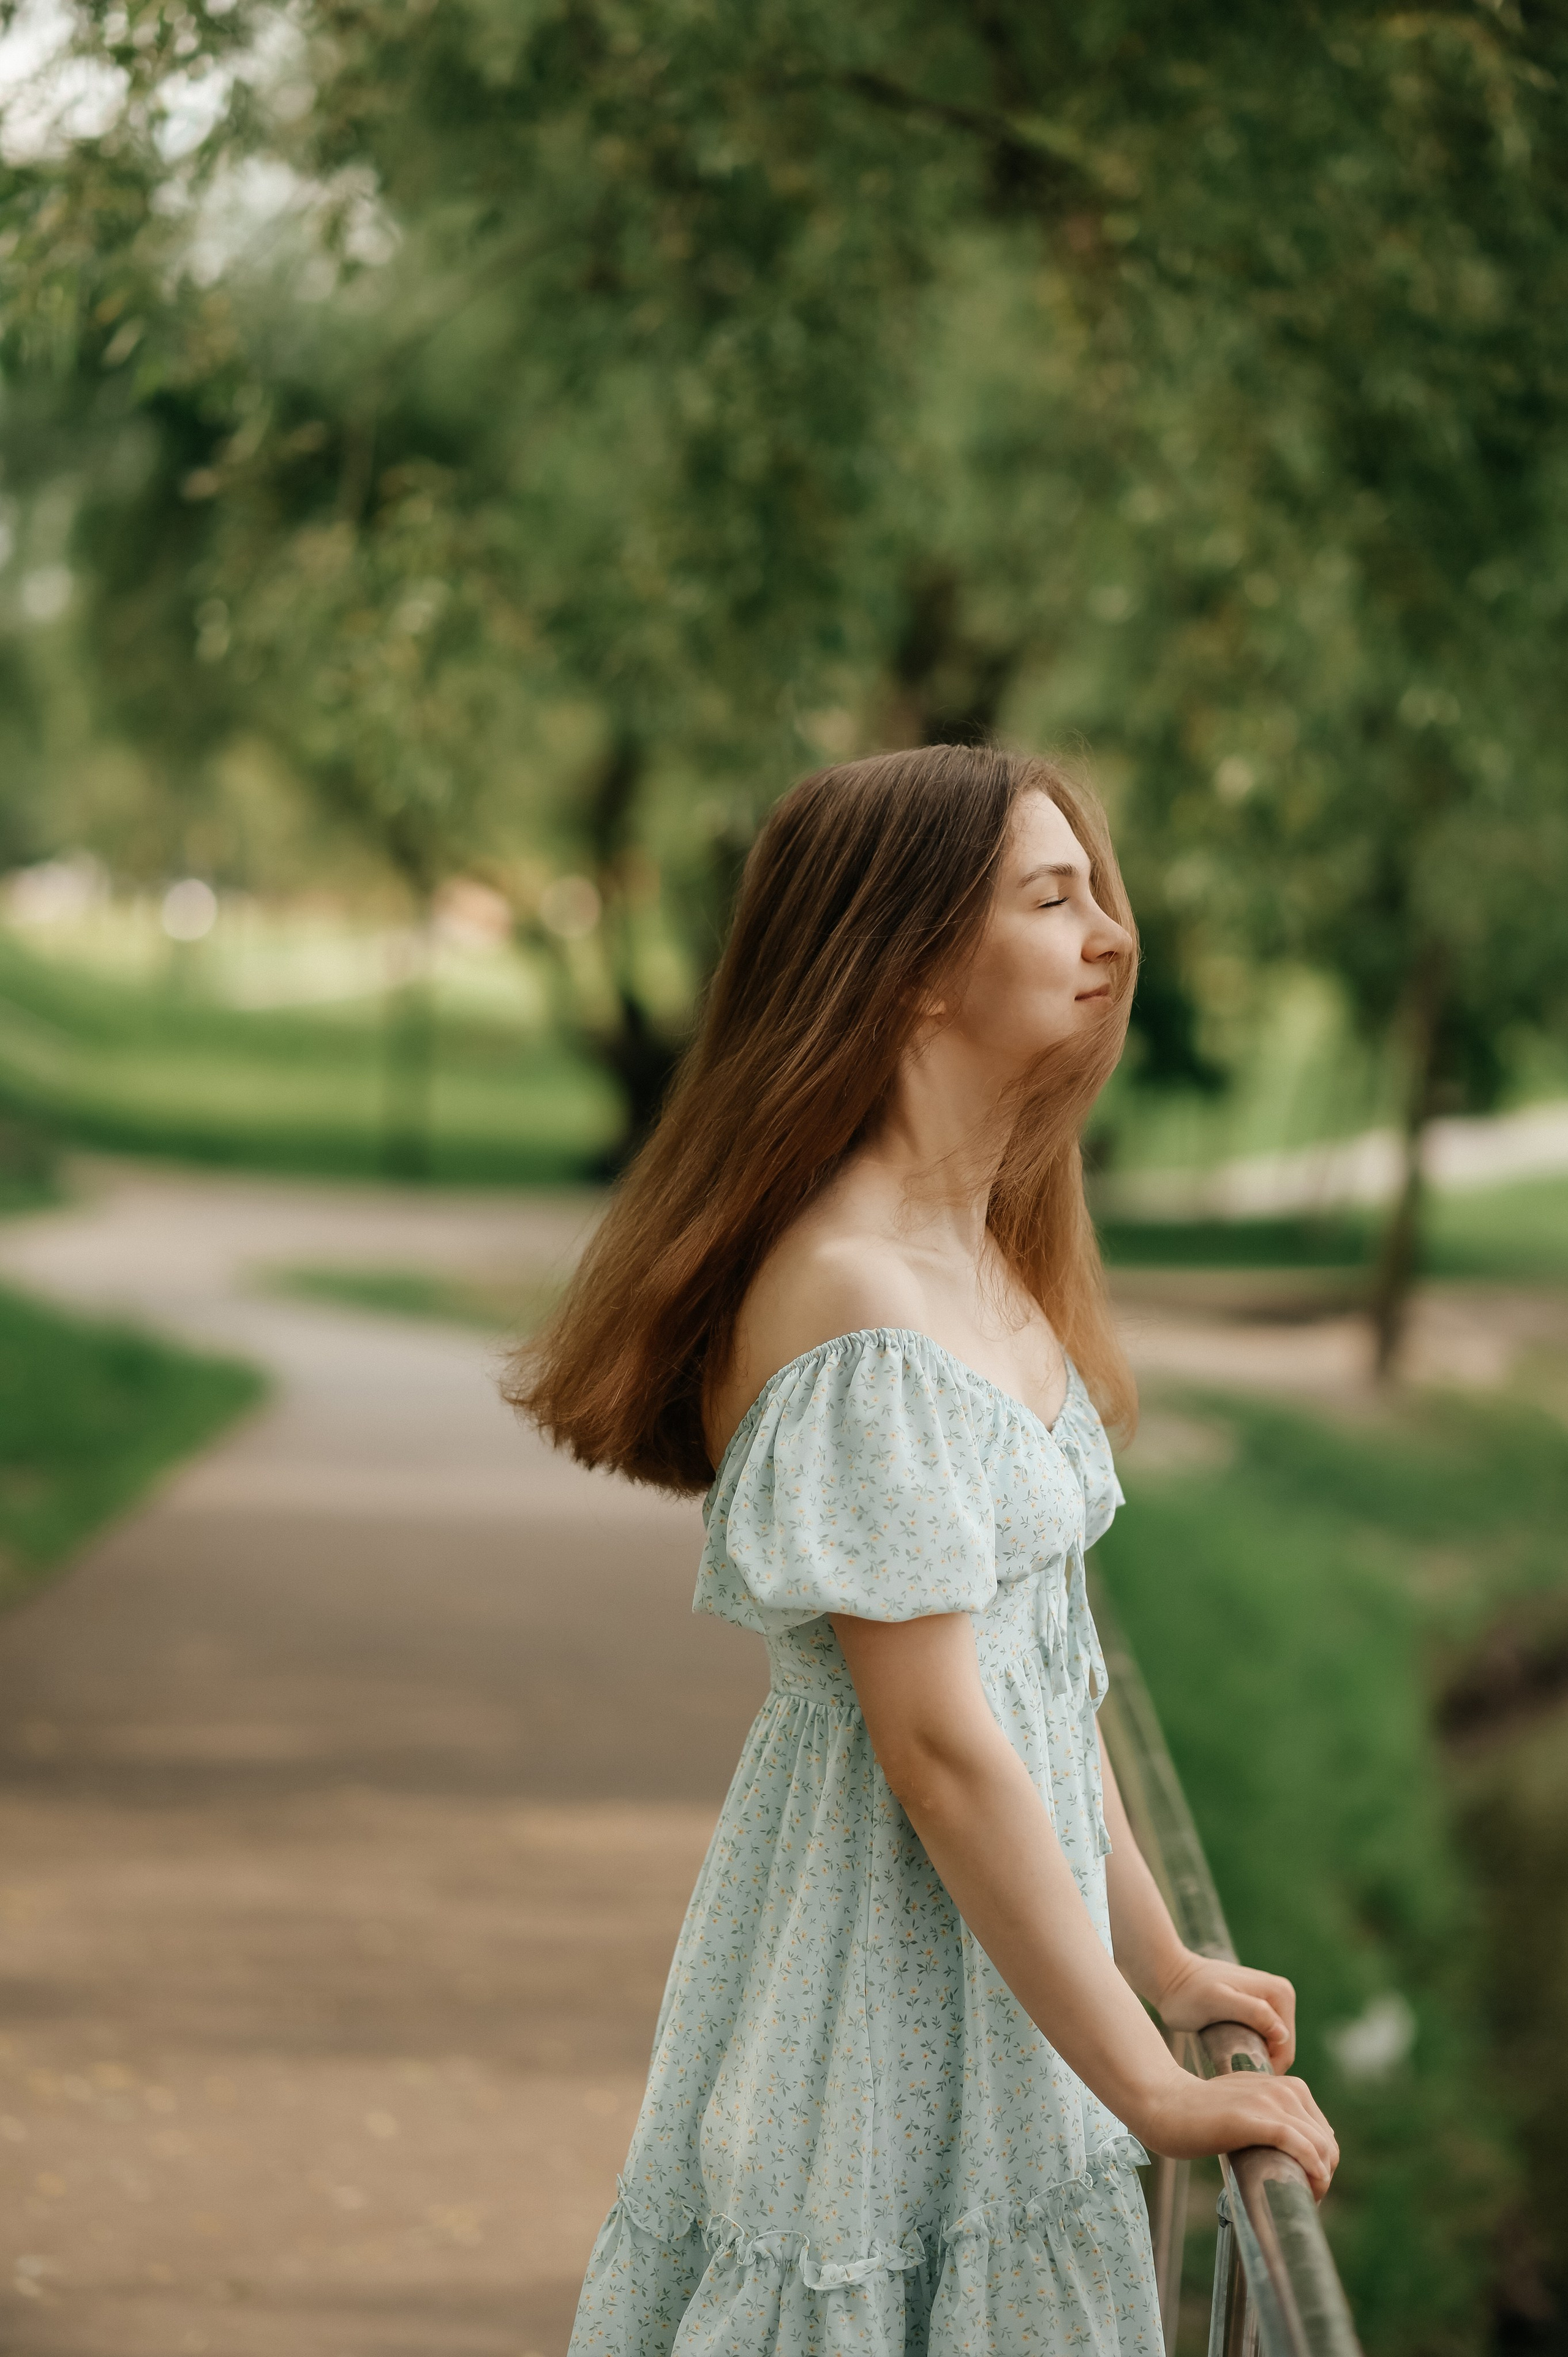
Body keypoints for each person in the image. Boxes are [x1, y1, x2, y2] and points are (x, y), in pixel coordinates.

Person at [511, 745, 1338, 2357]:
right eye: (1052, 896)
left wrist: (1160, 1957)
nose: (1111, 931)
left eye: (1101, 889)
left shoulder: (983, 1262)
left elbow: (1046, 1673)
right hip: (886, 1987)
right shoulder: (856, 1298)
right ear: (903, 976)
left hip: (1010, 1982)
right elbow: (947, 1750)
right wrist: (1152, 2088)